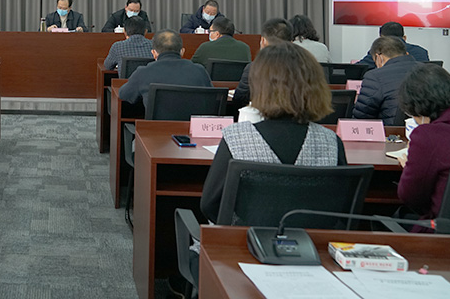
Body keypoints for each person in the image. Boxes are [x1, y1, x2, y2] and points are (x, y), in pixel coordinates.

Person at [200, 42, 346, 223]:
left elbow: (209, 205)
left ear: (259, 86)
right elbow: (342, 206)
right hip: (313, 239)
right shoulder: (331, 141)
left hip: (246, 239)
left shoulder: (236, 138)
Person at [396, 64, 450, 221]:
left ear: (419, 107)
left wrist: (409, 166)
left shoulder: (428, 136)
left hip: (442, 231)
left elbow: (411, 197)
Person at [118, 30, 212, 114]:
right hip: (193, 127)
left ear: (154, 53)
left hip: (157, 127)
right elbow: (211, 98)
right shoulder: (200, 70)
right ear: (182, 51)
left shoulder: (143, 72)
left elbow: (124, 95)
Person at [353, 35, 418, 125]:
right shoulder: (428, 71)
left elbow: (362, 117)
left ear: (379, 58)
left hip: (388, 131)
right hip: (424, 129)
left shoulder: (375, 76)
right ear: (406, 53)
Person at [231, 18, 293, 112]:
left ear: (263, 41)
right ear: (292, 43)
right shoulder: (305, 67)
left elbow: (239, 101)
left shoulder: (254, 68)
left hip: (262, 116)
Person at [356, 21, 430, 70]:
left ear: (381, 39)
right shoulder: (421, 52)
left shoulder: (379, 51)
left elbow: (357, 69)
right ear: (404, 38)